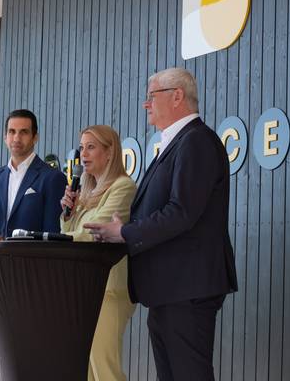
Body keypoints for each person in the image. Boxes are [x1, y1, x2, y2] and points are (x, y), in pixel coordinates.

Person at [84, 68, 238, 381]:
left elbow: (181, 212)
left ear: (177, 96)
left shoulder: (196, 141)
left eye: (151, 96)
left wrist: (125, 232)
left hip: (186, 287)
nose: (146, 104)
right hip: (170, 288)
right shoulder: (178, 142)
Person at [60, 125, 137, 381]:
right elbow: (73, 232)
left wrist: (56, 239)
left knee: (105, 372)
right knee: (86, 373)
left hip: (109, 290)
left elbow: (97, 232)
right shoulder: (86, 192)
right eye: (82, 147)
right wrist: (68, 215)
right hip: (84, 288)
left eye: (91, 147)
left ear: (110, 152)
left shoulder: (123, 187)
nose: (83, 154)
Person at [0, 109, 67, 241]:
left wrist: (5, 246)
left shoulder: (53, 178)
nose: (17, 138)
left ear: (35, 137)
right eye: (12, 132)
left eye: (24, 132)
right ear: (5, 137)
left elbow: (52, 237)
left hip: (31, 255)